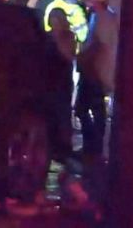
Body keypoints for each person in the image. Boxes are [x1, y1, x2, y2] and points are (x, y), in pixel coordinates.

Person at [76, 0, 119, 157]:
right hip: (102, 69)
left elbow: (96, 44)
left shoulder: (99, 18)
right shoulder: (111, 17)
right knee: (96, 108)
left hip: (94, 69)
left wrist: (83, 59)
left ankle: (92, 145)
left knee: (84, 108)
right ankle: (96, 145)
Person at [47, 8, 77, 161]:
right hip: (49, 80)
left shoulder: (69, 36)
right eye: (52, 19)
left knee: (63, 113)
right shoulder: (46, 36)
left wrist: (58, 39)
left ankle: (64, 148)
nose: (54, 22)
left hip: (63, 80)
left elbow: (69, 55)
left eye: (57, 19)